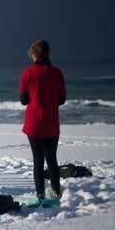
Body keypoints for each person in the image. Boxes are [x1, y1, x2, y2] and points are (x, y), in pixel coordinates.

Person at [20, 40, 66, 199]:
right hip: (51, 123)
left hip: (34, 124)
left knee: (38, 161)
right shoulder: (57, 73)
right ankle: (56, 192)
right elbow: (62, 100)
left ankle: (40, 195)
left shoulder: (28, 73)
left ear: (34, 54)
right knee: (52, 159)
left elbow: (24, 100)